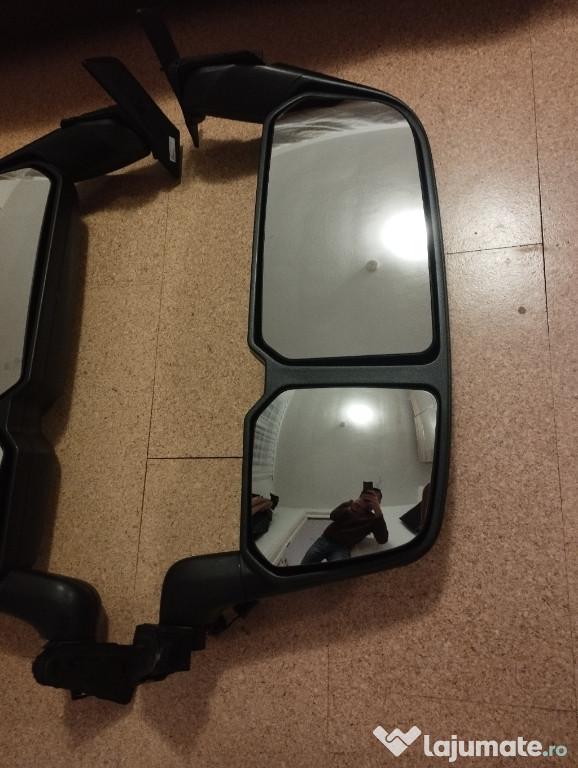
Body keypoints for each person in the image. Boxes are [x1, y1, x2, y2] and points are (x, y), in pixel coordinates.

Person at [301, 487, 388, 564]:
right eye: (368, 497)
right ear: (361, 496)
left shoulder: (374, 519)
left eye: (374, 499)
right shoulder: (350, 504)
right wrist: (351, 509)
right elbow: (333, 515)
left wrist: (378, 511)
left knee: (339, 573)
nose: (370, 501)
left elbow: (382, 540)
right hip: (325, 539)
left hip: (343, 548)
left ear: (379, 502)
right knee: (305, 566)